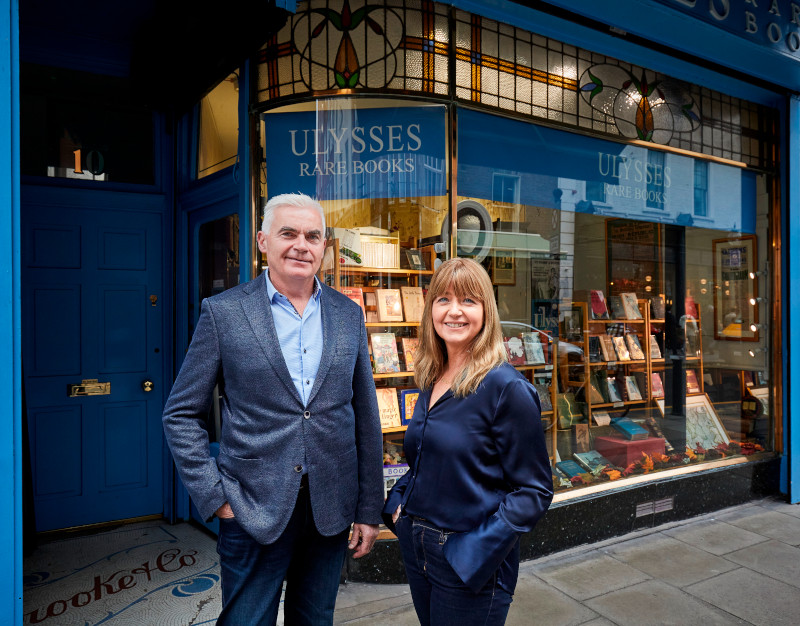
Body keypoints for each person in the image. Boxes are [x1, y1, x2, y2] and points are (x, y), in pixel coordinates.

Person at [162, 193, 384, 625]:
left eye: (313, 236)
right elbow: (180, 414)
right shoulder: (224, 313)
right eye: (289, 233)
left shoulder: (348, 314)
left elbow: (365, 418)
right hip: (251, 507)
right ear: (263, 241)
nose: (302, 245)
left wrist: (368, 509)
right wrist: (216, 497)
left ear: (324, 247)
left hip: (331, 509)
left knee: (315, 619)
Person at [383, 258, 553, 626]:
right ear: (431, 310)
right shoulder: (432, 376)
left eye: (468, 301)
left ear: (486, 311)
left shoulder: (506, 389)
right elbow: (426, 458)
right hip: (419, 547)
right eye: (443, 299)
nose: (454, 311)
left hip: (469, 559)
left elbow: (535, 491)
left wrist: (470, 552)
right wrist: (399, 505)